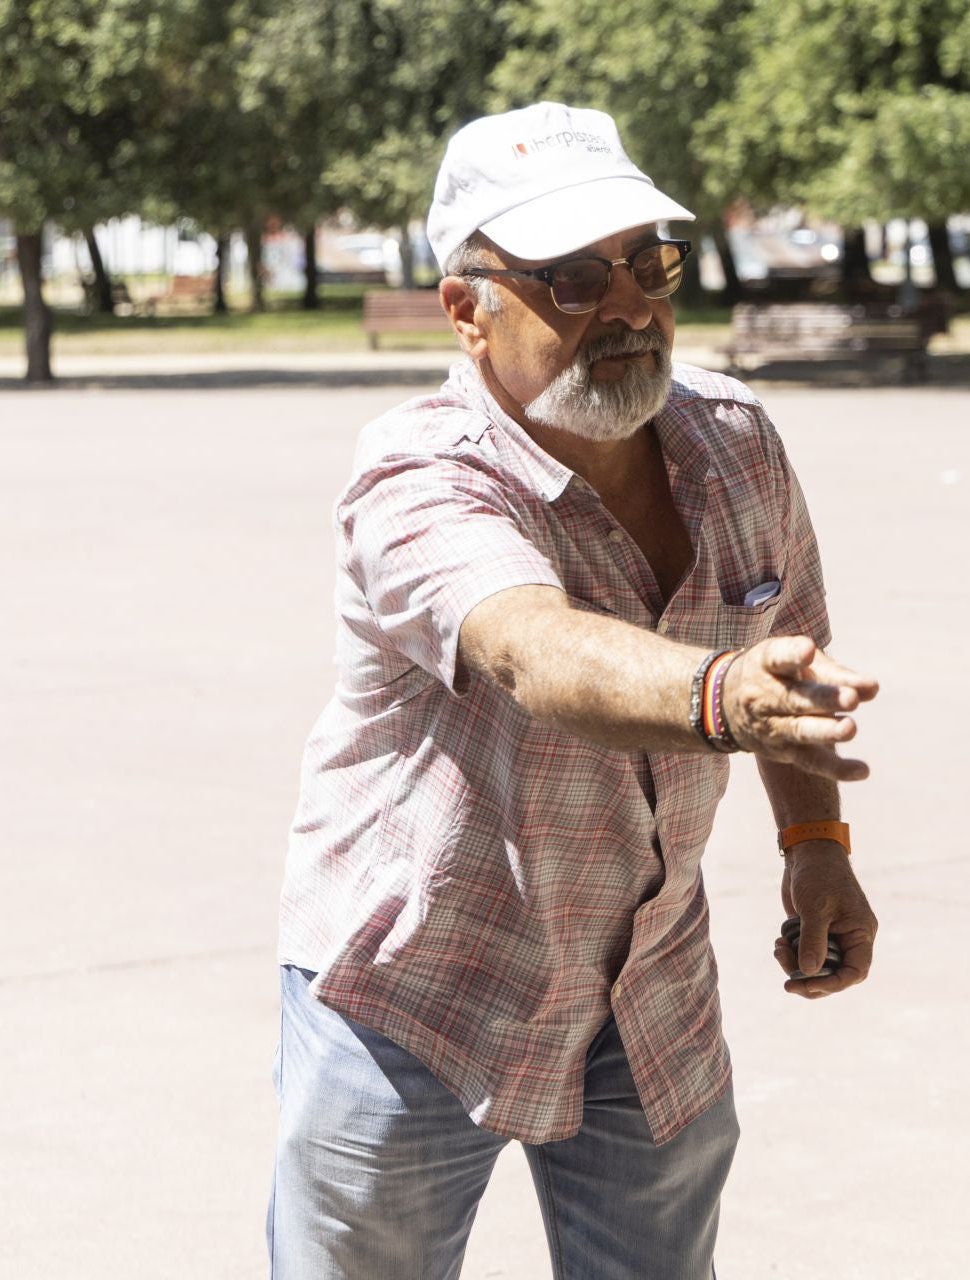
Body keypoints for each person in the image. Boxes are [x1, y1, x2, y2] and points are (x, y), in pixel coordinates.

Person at [268, 102, 881, 1279]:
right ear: (467, 309)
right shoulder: (418, 472)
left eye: (648, 261)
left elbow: (788, 639)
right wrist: (719, 695)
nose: (628, 305)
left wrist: (814, 836)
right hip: (416, 985)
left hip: (646, 975)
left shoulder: (735, 437)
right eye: (569, 276)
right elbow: (531, 648)